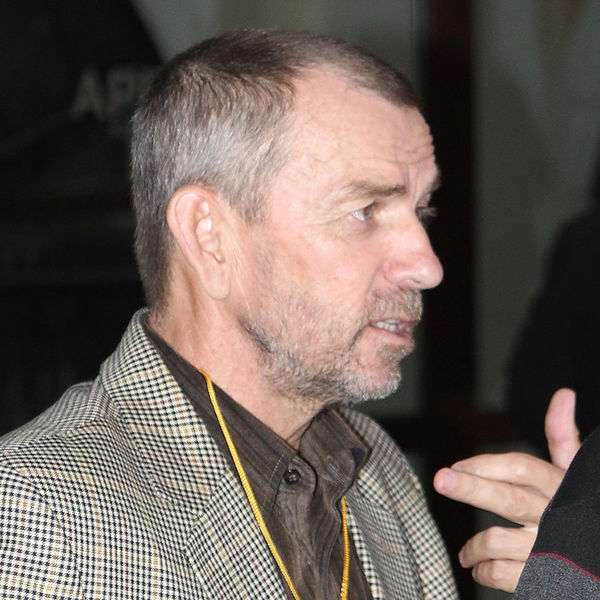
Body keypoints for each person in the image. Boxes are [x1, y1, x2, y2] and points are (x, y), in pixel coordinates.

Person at [0, 29, 578, 599]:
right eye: (364, 211)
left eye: (420, 211)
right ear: (209, 237)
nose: (427, 267)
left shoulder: (374, 467)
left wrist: (574, 583)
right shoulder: (38, 515)